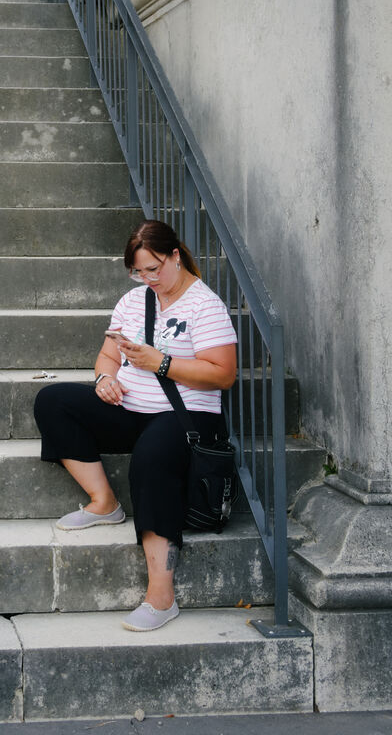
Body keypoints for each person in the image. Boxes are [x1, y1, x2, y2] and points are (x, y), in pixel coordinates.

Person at [34, 219, 237, 631]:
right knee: (53, 400)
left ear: (176, 256)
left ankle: (161, 596)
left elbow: (223, 374)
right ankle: (103, 503)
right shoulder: (132, 301)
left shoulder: (205, 305)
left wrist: (160, 362)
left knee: (152, 454)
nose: (148, 278)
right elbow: (107, 357)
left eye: (155, 268)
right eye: (139, 271)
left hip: (188, 417)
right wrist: (105, 380)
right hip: (130, 409)